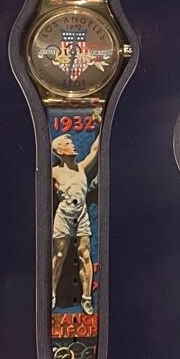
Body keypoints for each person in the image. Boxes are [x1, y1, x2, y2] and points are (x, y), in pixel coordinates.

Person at [51, 132, 100, 313]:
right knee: (59, 255)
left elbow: (95, 150)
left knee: (84, 254)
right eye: (67, 143)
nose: (72, 145)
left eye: (72, 143)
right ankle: (51, 294)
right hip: (64, 215)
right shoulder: (54, 172)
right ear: (59, 150)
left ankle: (86, 298)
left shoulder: (81, 168)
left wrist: (101, 126)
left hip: (81, 214)